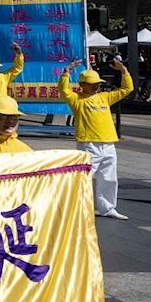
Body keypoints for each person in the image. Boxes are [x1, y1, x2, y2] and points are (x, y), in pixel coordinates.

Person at [60, 55, 135, 220]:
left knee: (109, 177)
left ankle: (108, 208)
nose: (96, 86)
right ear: (82, 85)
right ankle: (76, 208)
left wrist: (124, 72)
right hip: (89, 144)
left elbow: (126, 89)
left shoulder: (104, 97)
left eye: (98, 84)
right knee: (83, 177)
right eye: (92, 84)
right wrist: (66, 72)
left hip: (108, 143)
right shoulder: (76, 99)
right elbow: (63, 90)